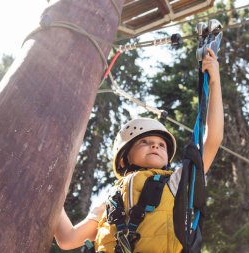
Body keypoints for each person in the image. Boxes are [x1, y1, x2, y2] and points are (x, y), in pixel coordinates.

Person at [54, 48, 224, 252]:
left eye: (161, 145)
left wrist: (214, 82)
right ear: (124, 159)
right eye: (144, 142)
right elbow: (68, 238)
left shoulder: (175, 183)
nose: (155, 146)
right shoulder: (110, 203)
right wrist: (50, 189)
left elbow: (212, 140)